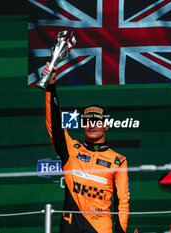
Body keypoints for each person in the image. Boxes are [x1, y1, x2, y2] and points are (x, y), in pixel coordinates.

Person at [42, 63, 129, 233]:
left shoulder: (118, 161)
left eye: (97, 120)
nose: (92, 124)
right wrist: (51, 87)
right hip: (70, 226)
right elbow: (55, 126)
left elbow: (122, 202)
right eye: (88, 120)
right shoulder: (72, 150)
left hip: (100, 227)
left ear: (106, 125)